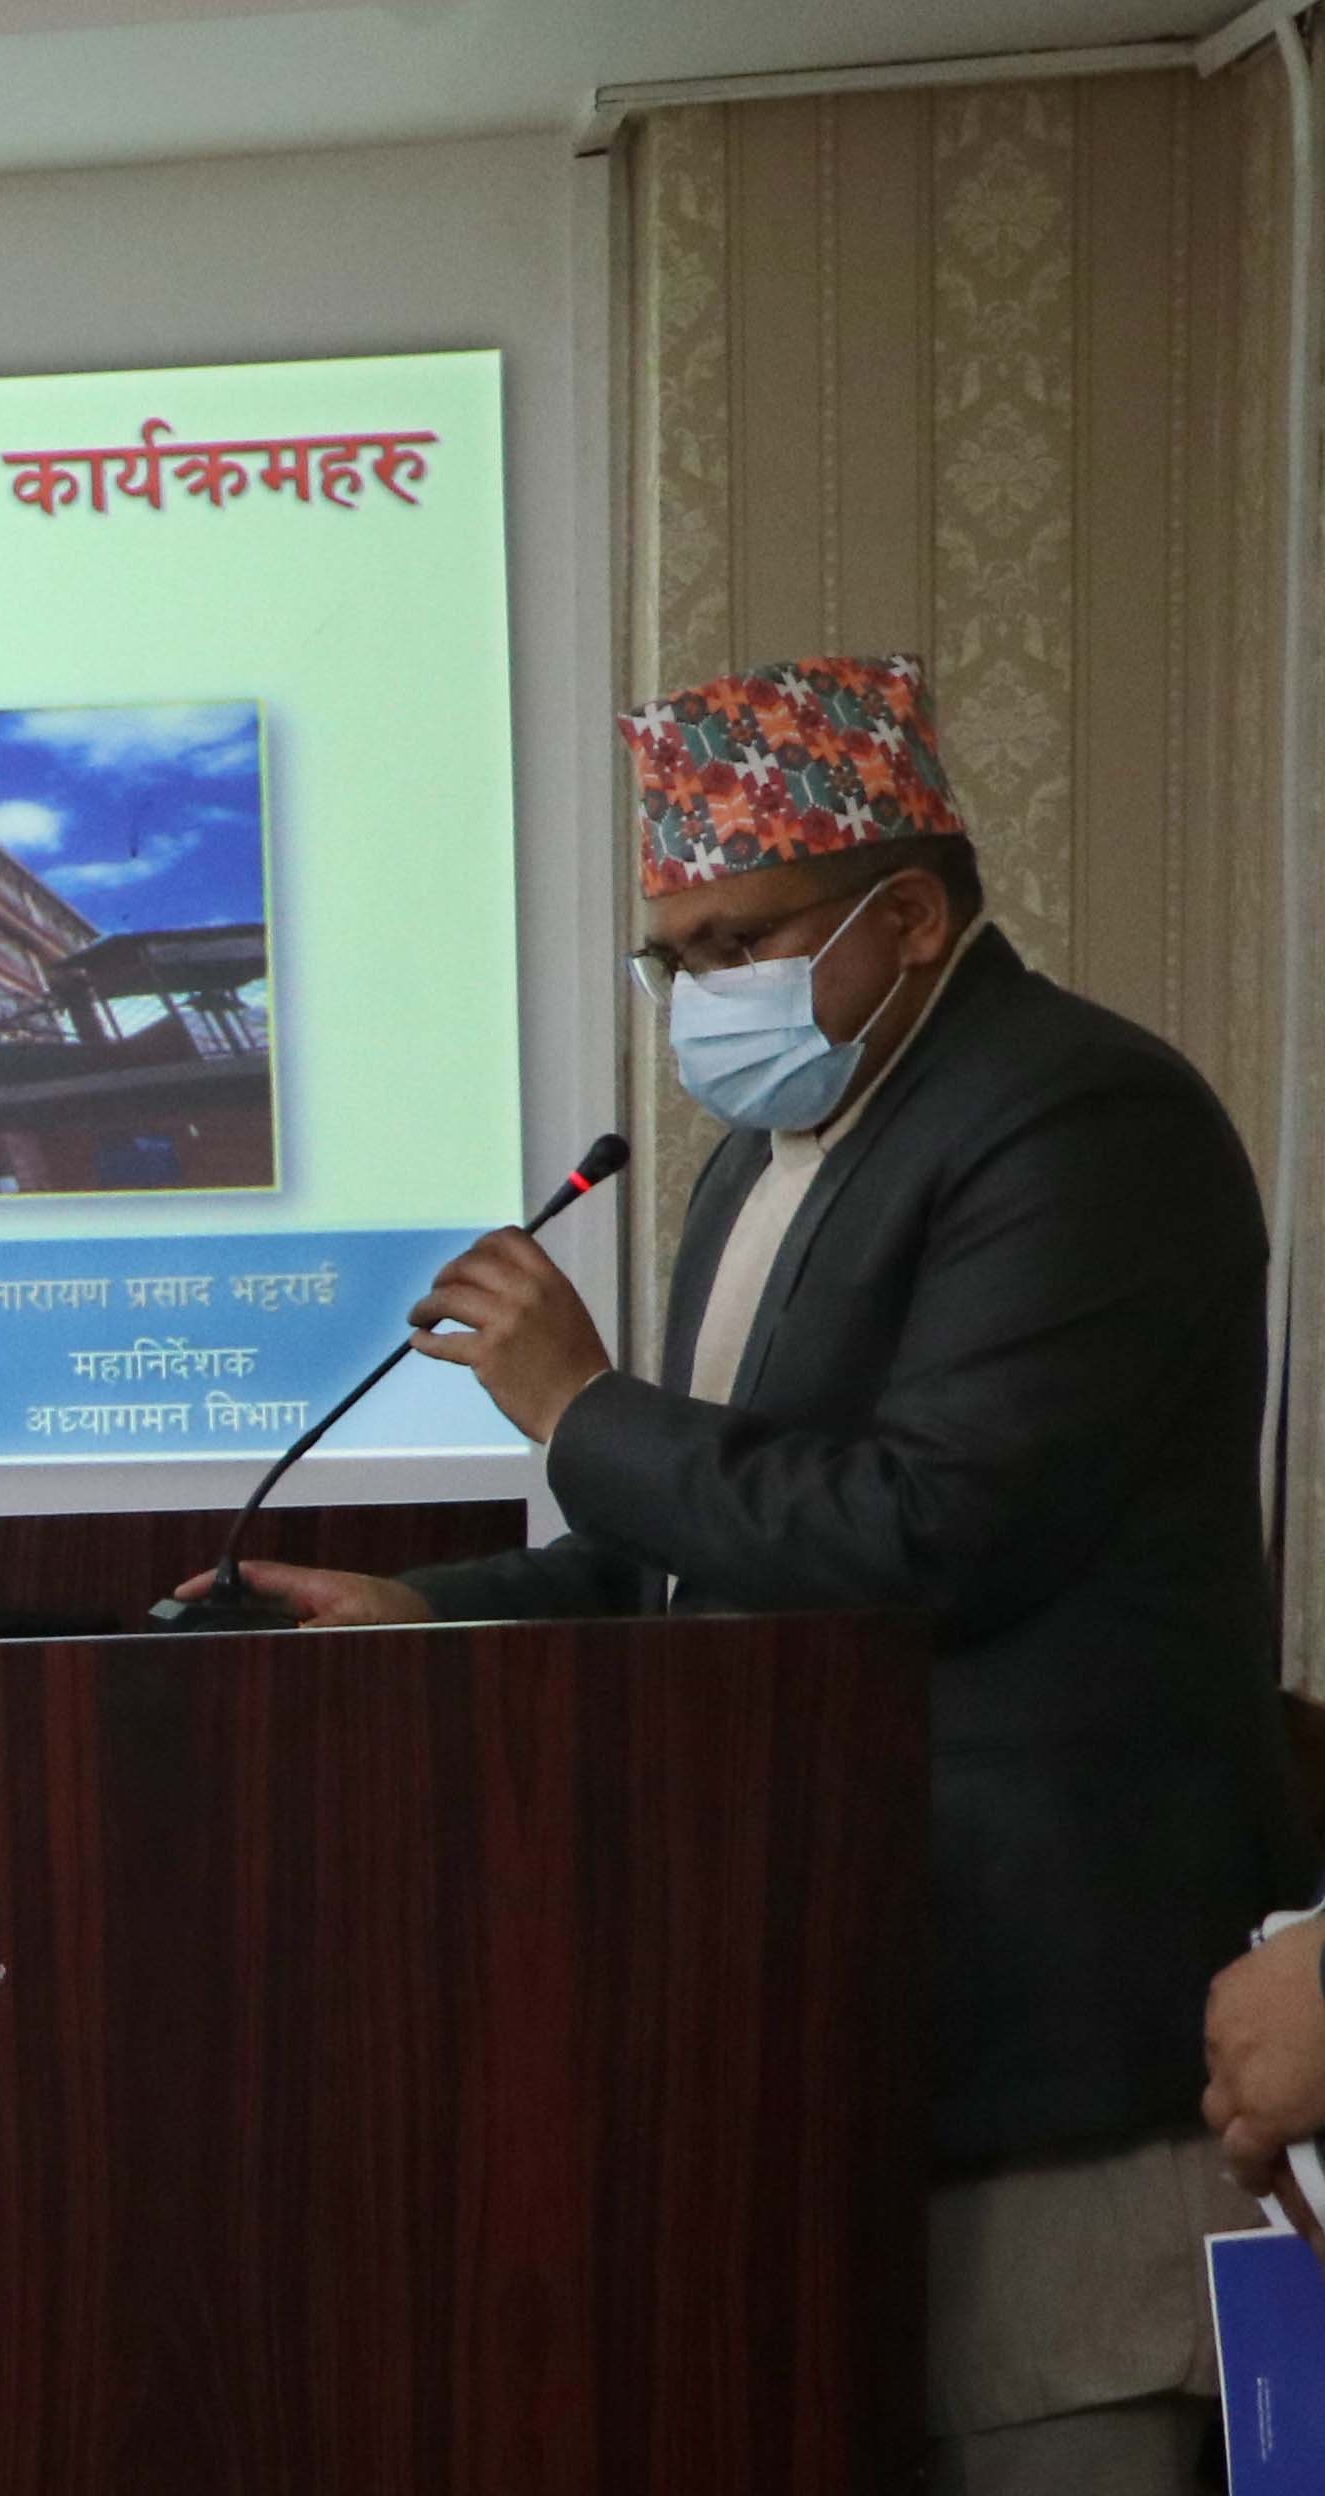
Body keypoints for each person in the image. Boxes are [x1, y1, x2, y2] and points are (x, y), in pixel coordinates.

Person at [193, 657, 1303, 2488]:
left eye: (739, 942)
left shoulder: (1076, 1117)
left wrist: (577, 1407)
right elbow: (706, 1555)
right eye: (674, 958)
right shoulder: (765, 1153)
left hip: (1050, 2028)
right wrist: (428, 1613)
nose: (701, 996)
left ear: (909, 916)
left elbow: (922, 1535)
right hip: (821, 2000)